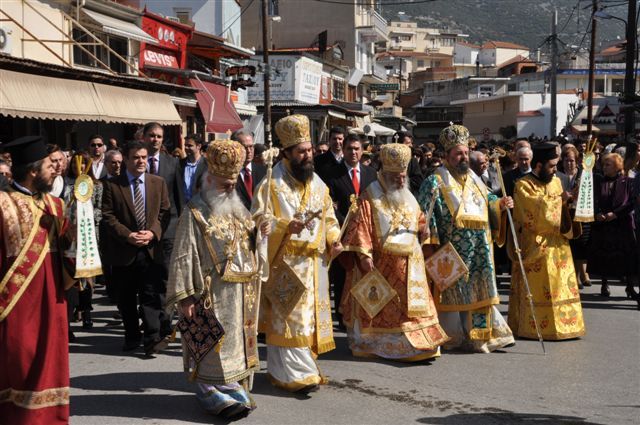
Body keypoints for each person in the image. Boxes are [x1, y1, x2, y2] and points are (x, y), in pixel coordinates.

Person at [167, 139, 269, 419]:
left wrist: (260, 232)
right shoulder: (195, 212)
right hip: (209, 294)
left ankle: (235, 389)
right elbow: (184, 255)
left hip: (239, 293)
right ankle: (213, 394)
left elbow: (249, 243)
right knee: (213, 345)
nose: (230, 189)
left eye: (233, 184)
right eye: (224, 184)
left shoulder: (238, 208)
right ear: (209, 179)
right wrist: (185, 296)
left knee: (236, 344)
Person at [252, 114, 342, 393]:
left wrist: (334, 239)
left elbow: (329, 218)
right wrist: (283, 226)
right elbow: (258, 218)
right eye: (301, 151)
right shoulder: (271, 182)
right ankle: (295, 375)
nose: (308, 155)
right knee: (289, 319)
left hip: (315, 265)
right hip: (285, 262)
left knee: (308, 320)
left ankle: (299, 369)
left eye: (310, 150)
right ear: (287, 153)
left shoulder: (318, 184)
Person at [339, 143, 449, 361]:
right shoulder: (370, 196)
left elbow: (418, 219)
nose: (401, 181)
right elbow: (360, 227)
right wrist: (364, 256)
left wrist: (423, 229)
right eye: (396, 177)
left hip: (412, 264)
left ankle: (422, 342)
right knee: (388, 310)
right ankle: (389, 343)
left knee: (413, 308)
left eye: (403, 176)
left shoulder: (408, 195)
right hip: (383, 264)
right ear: (385, 174)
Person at [417, 124, 515, 353]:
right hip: (450, 250)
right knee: (452, 295)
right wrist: (431, 246)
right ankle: (453, 336)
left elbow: (489, 199)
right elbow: (426, 215)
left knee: (479, 293)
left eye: (464, 153)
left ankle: (481, 337)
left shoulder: (473, 178)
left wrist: (500, 204)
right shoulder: (435, 181)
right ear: (447, 156)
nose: (463, 158)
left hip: (480, 248)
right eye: (457, 154)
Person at [0, 136, 70, 424]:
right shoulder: (3, 204)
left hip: (53, 297)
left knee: (51, 359)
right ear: (32, 170)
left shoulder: (55, 205)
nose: (55, 170)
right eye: (48, 166)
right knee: (18, 359)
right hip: (16, 302)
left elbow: (70, 251)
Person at [507, 142, 586, 340]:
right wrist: (560, 200)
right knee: (540, 286)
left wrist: (571, 203)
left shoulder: (556, 182)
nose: (554, 170)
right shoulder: (523, 185)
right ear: (539, 165)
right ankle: (535, 328)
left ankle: (565, 326)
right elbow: (532, 213)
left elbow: (562, 210)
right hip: (536, 246)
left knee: (560, 285)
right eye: (551, 166)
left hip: (558, 245)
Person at [101, 140, 171, 355]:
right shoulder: (113, 185)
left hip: (151, 250)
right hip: (125, 251)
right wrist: (128, 235)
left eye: (144, 157)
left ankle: (152, 339)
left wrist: (152, 233)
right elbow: (108, 215)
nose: (141, 161)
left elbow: (165, 212)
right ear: (126, 160)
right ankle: (132, 336)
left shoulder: (157, 183)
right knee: (127, 298)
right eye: (136, 157)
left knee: (152, 295)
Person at [325, 134, 377, 328]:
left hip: (366, 235)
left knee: (364, 273)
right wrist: (346, 223)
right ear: (343, 150)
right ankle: (343, 316)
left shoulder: (371, 173)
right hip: (342, 232)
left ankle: (364, 314)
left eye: (356, 149)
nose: (353, 152)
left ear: (362, 151)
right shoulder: (331, 174)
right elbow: (329, 205)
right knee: (342, 275)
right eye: (349, 149)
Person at [588, 153, 637, 300]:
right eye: (603, 164)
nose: (604, 167)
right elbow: (592, 200)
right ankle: (604, 283)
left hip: (622, 225)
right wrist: (597, 214)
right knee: (604, 255)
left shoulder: (627, 182)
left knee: (626, 257)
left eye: (608, 164)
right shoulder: (599, 181)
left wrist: (615, 214)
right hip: (603, 224)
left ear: (617, 167)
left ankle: (630, 286)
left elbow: (631, 202)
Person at [561, 146, 592, 289]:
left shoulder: (583, 174)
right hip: (565, 214)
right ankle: (572, 275)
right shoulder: (557, 176)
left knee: (582, 244)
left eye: (572, 161)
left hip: (580, 213)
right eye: (566, 160)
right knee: (569, 246)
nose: (569, 164)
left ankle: (582, 273)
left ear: (577, 161)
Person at [231, 129, 266, 211]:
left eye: (251, 146)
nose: (249, 151)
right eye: (244, 147)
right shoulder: (227, 173)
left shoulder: (264, 171)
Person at [180, 134, 207, 203]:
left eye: (189, 146)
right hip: (184, 207)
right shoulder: (179, 164)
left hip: (201, 207)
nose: (186, 148)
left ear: (199, 146)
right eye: (185, 145)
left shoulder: (207, 164)